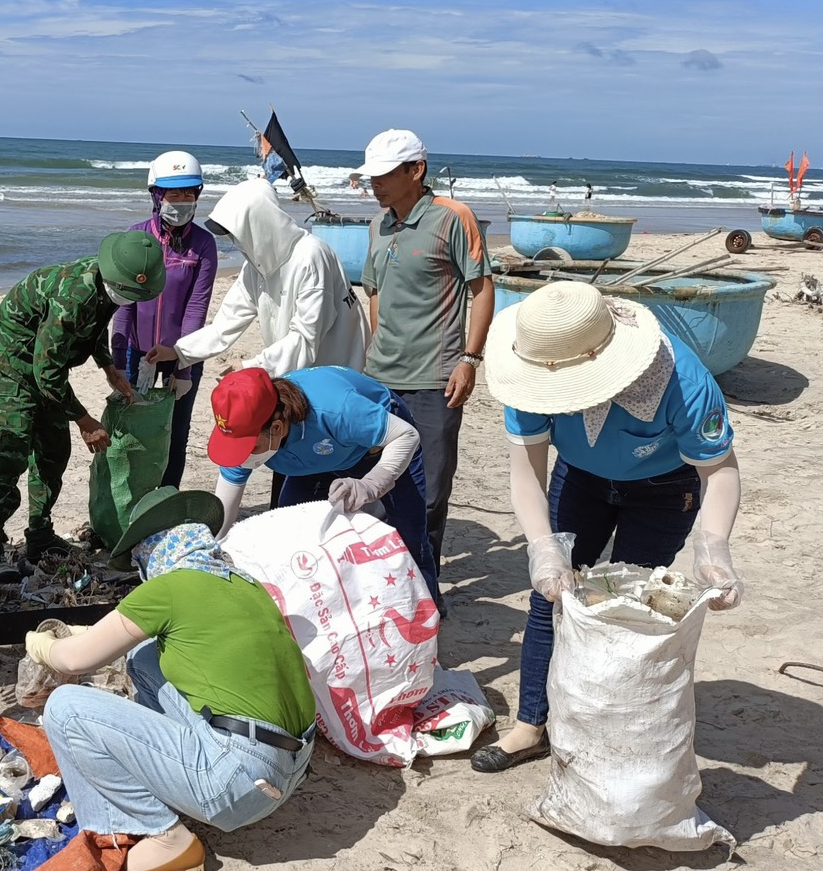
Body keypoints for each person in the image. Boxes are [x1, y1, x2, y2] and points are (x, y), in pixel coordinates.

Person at [470, 282, 743, 773]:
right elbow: (527, 471)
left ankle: (610, 729)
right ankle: (531, 724)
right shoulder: (538, 362)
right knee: (550, 596)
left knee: (632, 607)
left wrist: (713, 547)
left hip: (663, 489)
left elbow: (719, 470)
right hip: (580, 480)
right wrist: (543, 548)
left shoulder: (683, 379)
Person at [25, 487, 316, 871]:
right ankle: (162, 779)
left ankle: (145, 835)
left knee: (66, 708)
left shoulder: (170, 587)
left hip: (235, 780)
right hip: (288, 765)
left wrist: (41, 644)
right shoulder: (245, 584)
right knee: (144, 657)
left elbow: (74, 660)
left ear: (151, 551)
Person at [146, 177, 368, 508]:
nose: (236, 242)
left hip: (331, 383)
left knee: (319, 479)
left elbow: (305, 339)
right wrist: (179, 351)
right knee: (287, 461)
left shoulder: (311, 256)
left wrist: (251, 368)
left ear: (259, 224)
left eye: (238, 234)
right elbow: (228, 319)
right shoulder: (259, 264)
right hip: (292, 376)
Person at [0, 232, 166, 583]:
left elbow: (93, 327)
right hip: (10, 363)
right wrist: (84, 420)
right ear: (114, 278)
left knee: (53, 453)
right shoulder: (73, 296)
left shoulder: (110, 283)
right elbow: (46, 373)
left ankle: (39, 535)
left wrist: (107, 365)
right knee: (12, 454)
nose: (129, 299)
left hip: (45, 362)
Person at [355, 129, 494, 572]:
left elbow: (482, 287)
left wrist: (470, 359)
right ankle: (385, 575)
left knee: (431, 489)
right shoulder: (378, 225)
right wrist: (378, 348)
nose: (374, 184)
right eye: (371, 176)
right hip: (380, 378)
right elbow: (373, 290)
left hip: (435, 381)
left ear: (416, 171)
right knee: (375, 483)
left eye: (384, 175)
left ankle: (423, 580)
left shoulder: (454, 217)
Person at [204, 366, 440, 609]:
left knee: (409, 533)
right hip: (312, 460)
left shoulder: (336, 409)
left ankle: (427, 611)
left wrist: (371, 484)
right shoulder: (242, 425)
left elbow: (406, 436)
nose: (242, 457)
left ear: (276, 427)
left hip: (377, 448)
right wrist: (210, 550)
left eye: (249, 448)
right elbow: (225, 506)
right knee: (290, 535)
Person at [111, 151, 218, 489]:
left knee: (175, 432)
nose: (182, 201)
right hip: (135, 351)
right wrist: (117, 363)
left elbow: (196, 308)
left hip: (181, 354)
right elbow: (124, 305)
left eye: (189, 193)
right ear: (157, 195)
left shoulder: (203, 245)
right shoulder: (135, 237)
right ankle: (131, 499)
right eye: (174, 194)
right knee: (132, 427)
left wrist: (184, 365)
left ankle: (166, 498)